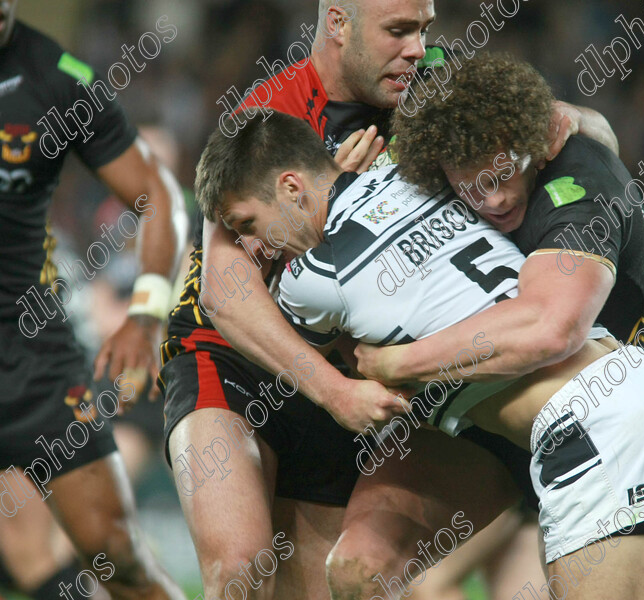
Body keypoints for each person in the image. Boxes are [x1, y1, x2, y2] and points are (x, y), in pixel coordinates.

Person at [197, 63, 644, 600]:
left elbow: (251, 320)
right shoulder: (416, 177)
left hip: (596, 425)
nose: (254, 249)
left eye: (247, 225)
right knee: (359, 569)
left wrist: (384, 367)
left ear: (293, 187)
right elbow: (583, 130)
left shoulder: (315, 278)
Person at [161, 1, 618, 597]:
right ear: (339, 25)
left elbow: (599, 135)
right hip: (233, 357)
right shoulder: (275, 114)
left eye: (424, 28)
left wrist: (564, 118)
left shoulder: (440, 86)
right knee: (241, 569)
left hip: (343, 362)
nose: (417, 47)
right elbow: (224, 290)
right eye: (398, 31)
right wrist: (335, 392)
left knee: (334, 583)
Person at [0, 2, 187, 599]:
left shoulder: (57, 77)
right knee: (30, 561)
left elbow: (159, 195)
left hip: (35, 361)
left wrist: (146, 312)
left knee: (116, 553)